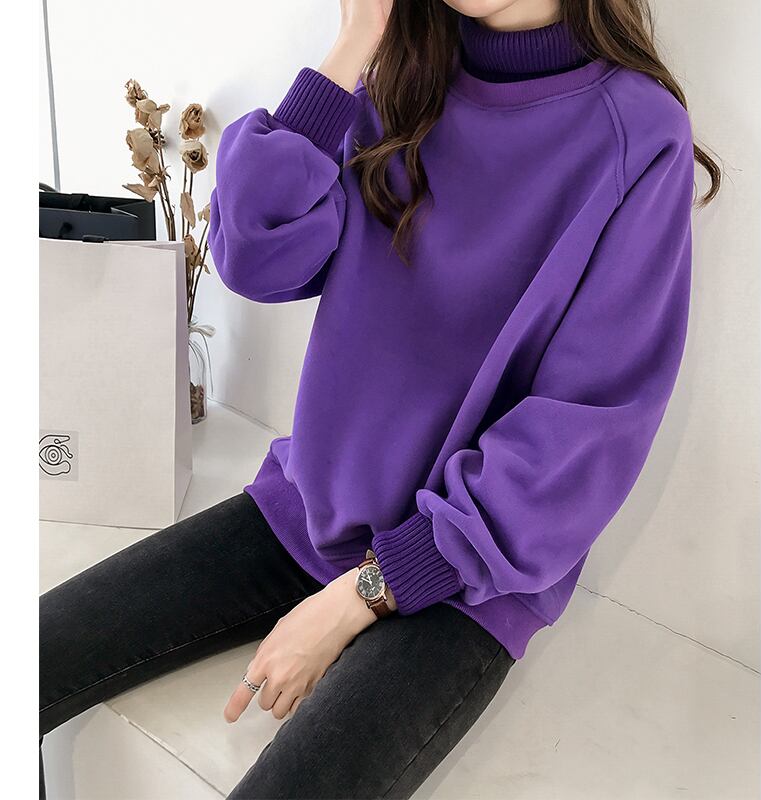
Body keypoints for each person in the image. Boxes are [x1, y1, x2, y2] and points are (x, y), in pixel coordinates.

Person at [39, 1, 720, 797]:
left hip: (467, 576)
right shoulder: (402, 73)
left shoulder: (639, 135)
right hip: (310, 512)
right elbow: (255, 259)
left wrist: (365, 592)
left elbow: (586, 429)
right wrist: (353, 44)